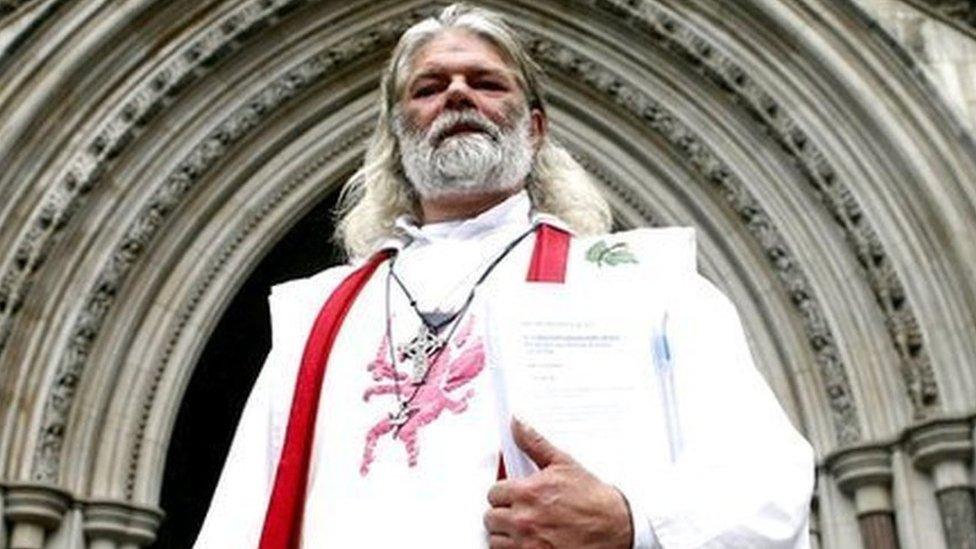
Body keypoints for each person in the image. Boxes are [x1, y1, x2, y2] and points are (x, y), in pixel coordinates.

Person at [193, 4, 814, 548]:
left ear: (536, 128)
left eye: (487, 82)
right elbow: (236, 526)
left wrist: (634, 521)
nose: (457, 94)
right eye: (428, 87)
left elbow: (767, 487)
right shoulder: (318, 318)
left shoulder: (637, 288)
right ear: (396, 135)